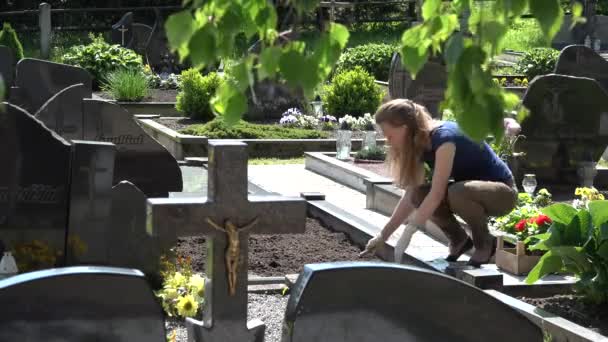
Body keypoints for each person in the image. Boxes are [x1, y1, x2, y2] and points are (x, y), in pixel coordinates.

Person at [360, 99, 518, 267]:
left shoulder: (444, 139)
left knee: (456, 192)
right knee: (420, 194)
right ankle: (459, 241)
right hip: (472, 191)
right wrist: (383, 236)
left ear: (404, 128)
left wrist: (409, 232)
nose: (387, 141)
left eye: (389, 134)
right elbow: (411, 196)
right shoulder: (420, 142)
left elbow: (437, 194)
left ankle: (485, 244)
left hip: (503, 193)